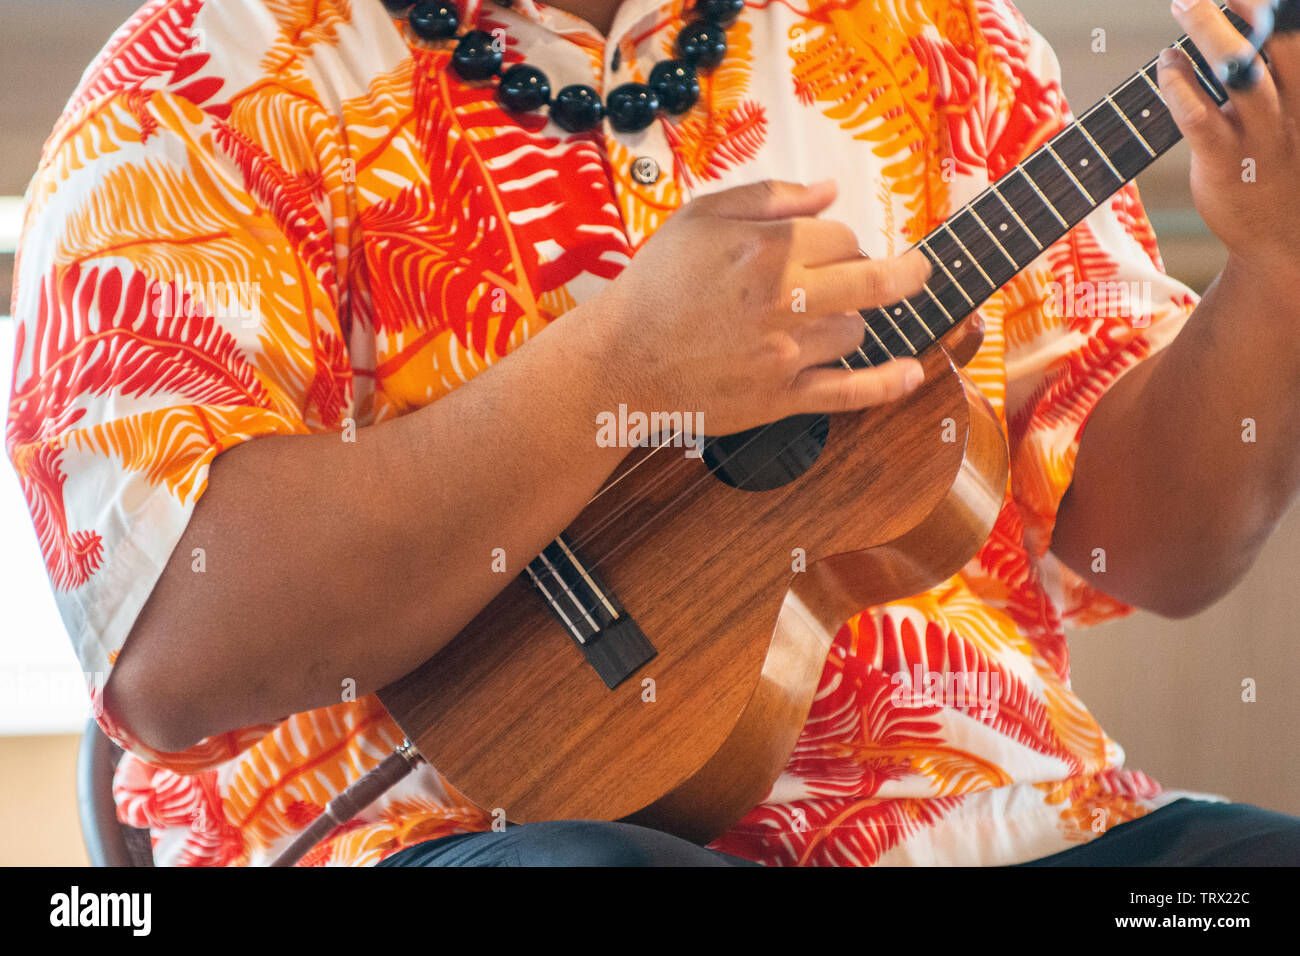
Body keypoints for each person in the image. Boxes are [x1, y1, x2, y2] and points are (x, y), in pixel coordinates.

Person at [7, 0, 1300, 866]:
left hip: (1000, 823)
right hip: (441, 837)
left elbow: (1159, 552)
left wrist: (1280, 267)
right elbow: (175, 648)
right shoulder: (199, 82)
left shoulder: (936, 36)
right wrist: (613, 371)